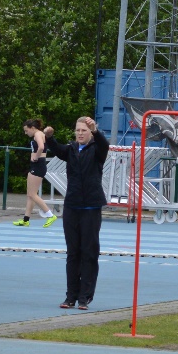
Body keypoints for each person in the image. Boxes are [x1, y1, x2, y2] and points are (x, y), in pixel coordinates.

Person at [44, 116, 110, 310]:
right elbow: (56, 149)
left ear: (90, 133)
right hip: (72, 206)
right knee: (73, 253)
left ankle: (85, 297)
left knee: (89, 252)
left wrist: (96, 131)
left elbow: (104, 144)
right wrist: (49, 137)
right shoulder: (71, 150)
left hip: (90, 207)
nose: (80, 133)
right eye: (78, 130)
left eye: (84, 130)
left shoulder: (97, 150)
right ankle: (70, 296)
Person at [14, 119, 57, 228]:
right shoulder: (40, 134)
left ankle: (50, 215)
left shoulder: (38, 134)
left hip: (38, 165)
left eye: (26, 130)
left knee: (32, 194)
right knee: (30, 195)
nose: (25, 133)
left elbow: (41, 147)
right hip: (37, 165)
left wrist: (35, 157)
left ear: (32, 128)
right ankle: (26, 220)